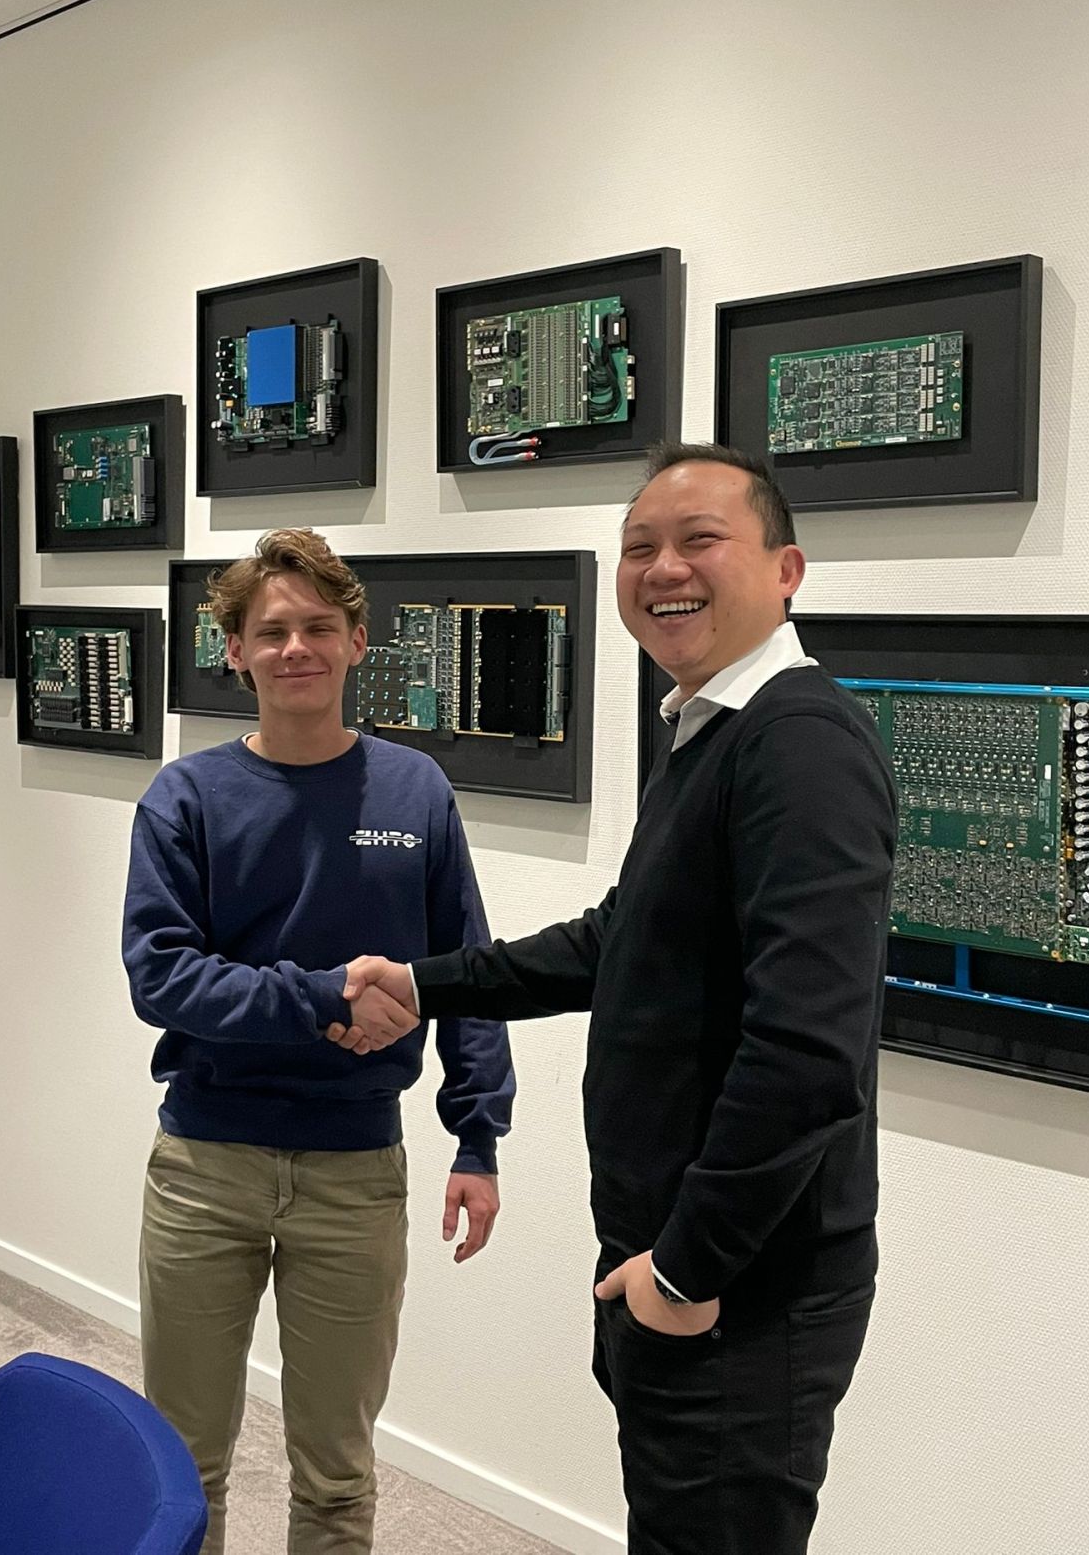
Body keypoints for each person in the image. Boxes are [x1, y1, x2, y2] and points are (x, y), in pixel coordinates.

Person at [333, 443, 897, 1555]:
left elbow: (804, 1048)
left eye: (699, 540)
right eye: (638, 545)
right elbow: (619, 940)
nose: (661, 567)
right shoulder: (710, 728)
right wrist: (425, 979)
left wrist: (687, 1267)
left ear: (785, 568)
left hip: (739, 1287)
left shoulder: (798, 744)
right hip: (670, 1262)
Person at [122, 529, 514, 1555]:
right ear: (236, 652)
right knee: (182, 1462)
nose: (296, 646)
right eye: (272, 630)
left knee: (337, 1475)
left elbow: (465, 971)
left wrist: (477, 1137)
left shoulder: (414, 791)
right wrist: (321, 994)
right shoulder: (186, 797)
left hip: (354, 1171)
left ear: (356, 642)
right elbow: (159, 976)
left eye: (317, 627)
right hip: (206, 1164)